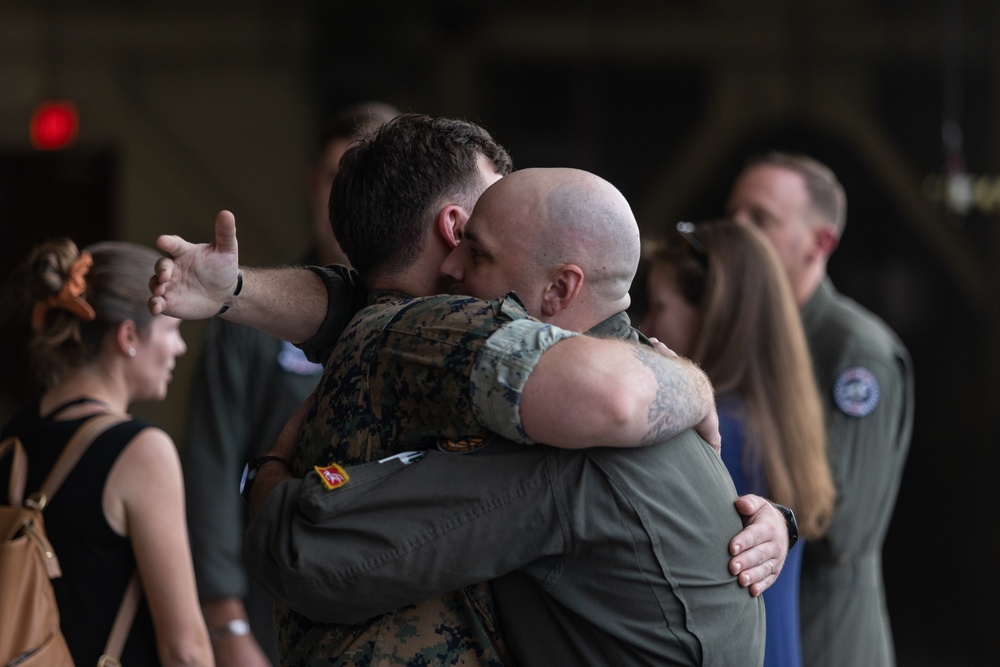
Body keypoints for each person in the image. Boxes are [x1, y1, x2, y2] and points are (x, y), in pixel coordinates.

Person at [148, 115, 789, 664]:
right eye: (472, 233)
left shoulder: (568, 426)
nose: (458, 263)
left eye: (479, 250)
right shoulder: (571, 380)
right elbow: (375, 309)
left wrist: (270, 478)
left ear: (560, 289)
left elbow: (307, 550)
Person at [182, 101, 397, 667]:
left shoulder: (440, 322)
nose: (355, 199)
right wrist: (225, 619)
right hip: (274, 608)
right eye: (340, 178)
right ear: (312, 185)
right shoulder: (248, 313)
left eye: (376, 180)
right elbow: (212, 465)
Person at [727, 152, 915, 667]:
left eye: (760, 219)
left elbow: (843, 525)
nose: (738, 231)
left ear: (821, 243)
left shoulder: (856, 352)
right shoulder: (754, 339)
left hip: (823, 639)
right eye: (734, 214)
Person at [0, 239, 212, 666]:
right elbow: (185, 650)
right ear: (129, 336)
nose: (180, 348)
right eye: (171, 330)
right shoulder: (141, 452)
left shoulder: (13, 438)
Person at [640, 219, 837, 667]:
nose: (644, 326)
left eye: (657, 306)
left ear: (715, 315)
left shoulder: (708, 432)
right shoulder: (781, 418)